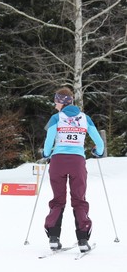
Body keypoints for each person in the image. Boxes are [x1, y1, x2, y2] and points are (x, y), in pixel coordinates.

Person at [42, 87, 104, 253]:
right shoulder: (85, 118)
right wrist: (97, 152)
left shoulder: (55, 118)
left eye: (56, 101)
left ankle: (54, 238)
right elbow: (100, 143)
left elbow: (48, 141)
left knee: (58, 199)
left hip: (58, 162)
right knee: (79, 199)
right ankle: (83, 240)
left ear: (62, 102)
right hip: (77, 162)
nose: (55, 104)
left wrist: (46, 153)